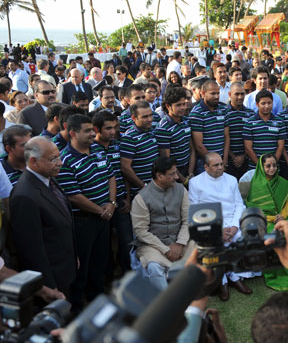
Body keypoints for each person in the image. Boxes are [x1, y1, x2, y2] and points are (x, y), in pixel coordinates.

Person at [57, 114, 117, 311]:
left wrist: (111, 203)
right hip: (84, 221)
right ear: (73, 133)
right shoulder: (65, 160)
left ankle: (97, 297)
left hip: (104, 216)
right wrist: (101, 210)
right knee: (82, 265)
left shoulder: (99, 150)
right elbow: (74, 196)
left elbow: (111, 176)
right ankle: (77, 306)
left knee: (101, 260)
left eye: (93, 129)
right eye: (88, 131)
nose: (93, 133)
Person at [9, 136, 75, 297]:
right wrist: (48, 287)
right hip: (52, 280)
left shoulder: (47, 179)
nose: (60, 162)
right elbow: (32, 251)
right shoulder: (24, 196)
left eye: (59, 157)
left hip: (66, 267)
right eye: (53, 159)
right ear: (33, 162)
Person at [188, 152, 254, 301]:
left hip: (232, 221)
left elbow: (239, 204)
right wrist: (218, 229)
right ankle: (222, 280)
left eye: (221, 164)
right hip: (210, 224)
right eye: (216, 165)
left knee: (240, 237)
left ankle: (235, 277)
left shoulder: (231, 180)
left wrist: (235, 226)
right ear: (205, 167)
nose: (220, 167)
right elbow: (196, 210)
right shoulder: (195, 182)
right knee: (215, 241)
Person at [245, 153, 288, 291]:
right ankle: (279, 274)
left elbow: (287, 203)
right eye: (268, 166)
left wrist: (283, 216)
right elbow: (253, 207)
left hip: (283, 216)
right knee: (275, 235)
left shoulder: (282, 182)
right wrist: (273, 219)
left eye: (274, 165)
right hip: (265, 219)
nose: (272, 168)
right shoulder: (256, 184)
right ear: (262, 167)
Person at [130, 157, 192, 290]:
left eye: (176, 172)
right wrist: (166, 249)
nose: (177, 177)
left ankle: (192, 295)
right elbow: (141, 232)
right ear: (159, 176)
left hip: (180, 240)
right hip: (154, 245)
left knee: (200, 253)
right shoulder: (141, 198)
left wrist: (180, 243)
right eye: (172, 174)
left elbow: (188, 220)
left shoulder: (181, 190)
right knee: (154, 267)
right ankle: (168, 303)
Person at [91, 111, 132, 276]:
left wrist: (127, 198)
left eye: (115, 127)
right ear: (96, 129)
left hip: (121, 202)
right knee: (103, 246)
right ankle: (107, 277)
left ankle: (128, 274)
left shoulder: (117, 145)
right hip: (100, 205)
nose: (113, 131)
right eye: (108, 128)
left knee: (127, 242)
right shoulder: (90, 150)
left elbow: (124, 173)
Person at [189, 80, 230, 173]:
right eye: (213, 93)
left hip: (221, 161)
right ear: (203, 93)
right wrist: (214, 162)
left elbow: (226, 136)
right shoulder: (196, 113)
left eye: (218, 93)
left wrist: (225, 160)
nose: (216, 96)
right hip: (205, 163)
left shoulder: (224, 109)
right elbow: (199, 145)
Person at [120, 101, 160, 195]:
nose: (150, 119)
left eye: (150, 115)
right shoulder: (129, 138)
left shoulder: (152, 131)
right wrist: (143, 186)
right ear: (134, 118)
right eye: (145, 117)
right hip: (141, 192)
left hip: (156, 188)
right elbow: (125, 167)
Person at [243, 89, 286, 169]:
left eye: (269, 103)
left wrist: (272, 165)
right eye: (263, 103)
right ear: (257, 104)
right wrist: (261, 166)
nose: (267, 106)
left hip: (274, 168)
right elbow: (248, 148)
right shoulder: (249, 123)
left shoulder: (280, 122)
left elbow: (280, 146)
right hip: (255, 168)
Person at [225, 82, 255, 179]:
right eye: (236, 94)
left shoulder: (251, 114)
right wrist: (233, 157)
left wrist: (244, 156)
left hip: (246, 159)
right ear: (230, 94)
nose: (240, 97)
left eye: (242, 94)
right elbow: (223, 137)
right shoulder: (223, 113)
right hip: (228, 160)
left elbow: (253, 137)